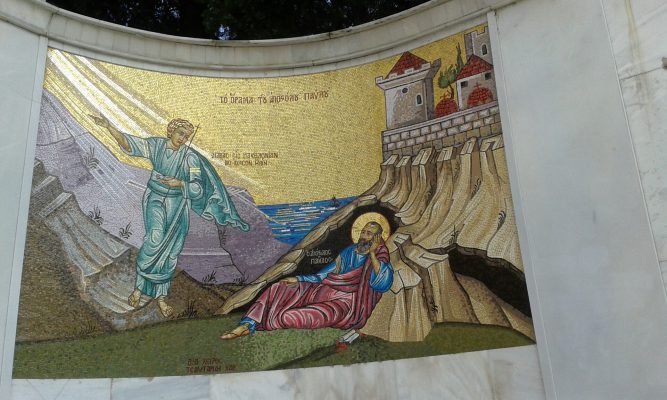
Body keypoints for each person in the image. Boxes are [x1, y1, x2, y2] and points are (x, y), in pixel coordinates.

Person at [91, 115, 249, 317]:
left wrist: (180, 183)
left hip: (178, 204)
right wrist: (109, 127)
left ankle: (161, 297)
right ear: (171, 130)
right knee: (154, 239)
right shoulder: (156, 145)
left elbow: (198, 188)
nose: (182, 138)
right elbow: (130, 144)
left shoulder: (190, 158)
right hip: (155, 198)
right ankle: (139, 288)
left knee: (171, 251)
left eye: (186, 136)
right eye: (180, 133)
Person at [220, 221, 393, 339]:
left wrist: (372, 254)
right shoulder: (349, 252)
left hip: (344, 305)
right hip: (321, 290)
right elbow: (322, 275)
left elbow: (382, 284)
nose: (363, 236)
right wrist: (298, 279)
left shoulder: (380, 257)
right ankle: (247, 324)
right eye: (363, 232)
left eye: (369, 234)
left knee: (288, 317)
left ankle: (270, 321)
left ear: (378, 238)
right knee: (279, 288)